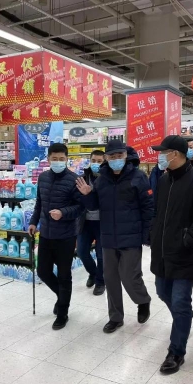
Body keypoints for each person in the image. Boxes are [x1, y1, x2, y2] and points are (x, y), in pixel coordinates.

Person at [150, 135, 193, 374]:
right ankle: (184, 317)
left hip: (186, 252)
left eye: (163, 152)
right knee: (162, 292)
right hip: (162, 250)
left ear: (175, 154)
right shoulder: (164, 179)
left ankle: (176, 352)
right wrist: (153, 235)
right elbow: (158, 212)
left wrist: (187, 238)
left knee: (179, 301)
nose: (160, 156)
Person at [76, 140, 153, 334]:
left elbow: (148, 207)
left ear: (125, 155)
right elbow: (94, 206)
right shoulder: (102, 179)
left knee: (130, 276)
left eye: (119, 155)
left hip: (131, 236)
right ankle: (116, 317)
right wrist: (87, 195)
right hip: (108, 237)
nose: (116, 159)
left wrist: (147, 235)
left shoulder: (138, 177)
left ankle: (143, 300)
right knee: (110, 279)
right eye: (112, 156)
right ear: (106, 158)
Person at [28, 143, 84, 330]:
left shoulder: (74, 180)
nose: (58, 162)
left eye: (61, 159)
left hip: (66, 236)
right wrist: (33, 222)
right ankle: (62, 297)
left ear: (66, 159)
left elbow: (80, 207)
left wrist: (63, 212)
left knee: (64, 275)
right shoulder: (43, 178)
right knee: (43, 271)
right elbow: (39, 203)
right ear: (48, 159)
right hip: (46, 234)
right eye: (54, 159)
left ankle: (62, 313)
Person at [77, 150, 105, 295]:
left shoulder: (108, 179)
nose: (96, 164)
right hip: (85, 221)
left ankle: (100, 282)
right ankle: (93, 273)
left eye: (99, 161)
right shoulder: (83, 178)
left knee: (101, 255)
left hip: (103, 222)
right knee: (82, 251)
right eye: (93, 160)